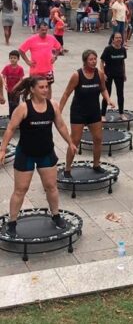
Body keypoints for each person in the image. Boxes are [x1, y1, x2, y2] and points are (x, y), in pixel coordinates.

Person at [0, 76, 77, 237]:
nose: (45, 90)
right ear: (33, 90)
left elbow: (61, 125)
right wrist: (2, 149)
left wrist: (70, 142)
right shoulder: (23, 108)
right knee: (20, 189)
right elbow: (10, 129)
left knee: (51, 187)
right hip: (26, 154)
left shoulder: (53, 105)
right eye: (41, 87)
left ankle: (56, 215)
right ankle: (12, 222)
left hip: (46, 153)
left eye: (46, 87)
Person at [59, 50, 115, 177]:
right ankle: (67, 169)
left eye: (95, 59)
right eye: (91, 59)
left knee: (98, 138)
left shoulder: (99, 74)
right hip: (78, 112)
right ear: (85, 61)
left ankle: (96, 165)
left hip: (94, 112)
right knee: (75, 141)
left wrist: (108, 99)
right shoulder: (77, 75)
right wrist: (59, 111)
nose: (94, 61)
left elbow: (103, 89)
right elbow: (66, 94)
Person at [18, 22, 62, 99]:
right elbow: (21, 50)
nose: (44, 31)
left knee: (48, 87)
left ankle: (48, 105)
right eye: (42, 30)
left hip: (48, 70)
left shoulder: (51, 38)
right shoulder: (32, 39)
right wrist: (27, 61)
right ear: (38, 30)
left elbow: (58, 47)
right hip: (35, 70)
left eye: (46, 30)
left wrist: (55, 57)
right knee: (34, 89)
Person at [100, 33, 127, 120]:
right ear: (113, 39)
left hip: (119, 74)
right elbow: (101, 62)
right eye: (117, 38)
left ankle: (121, 113)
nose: (119, 39)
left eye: (120, 38)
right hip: (108, 74)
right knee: (107, 94)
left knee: (120, 94)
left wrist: (124, 73)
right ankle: (103, 114)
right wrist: (103, 74)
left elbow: (123, 62)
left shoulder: (123, 49)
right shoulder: (108, 49)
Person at [2, 50, 24, 117]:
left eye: (14, 58)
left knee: (16, 104)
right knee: (10, 104)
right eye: (11, 58)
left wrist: (16, 87)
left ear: (18, 59)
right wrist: (4, 83)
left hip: (17, 90)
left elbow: (21, 80)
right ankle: (11, 116)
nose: (12, 59)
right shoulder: (7, 68)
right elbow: (3, 77)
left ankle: (16, 117)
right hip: (9, 90)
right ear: (9, 58)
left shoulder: (20, 69)